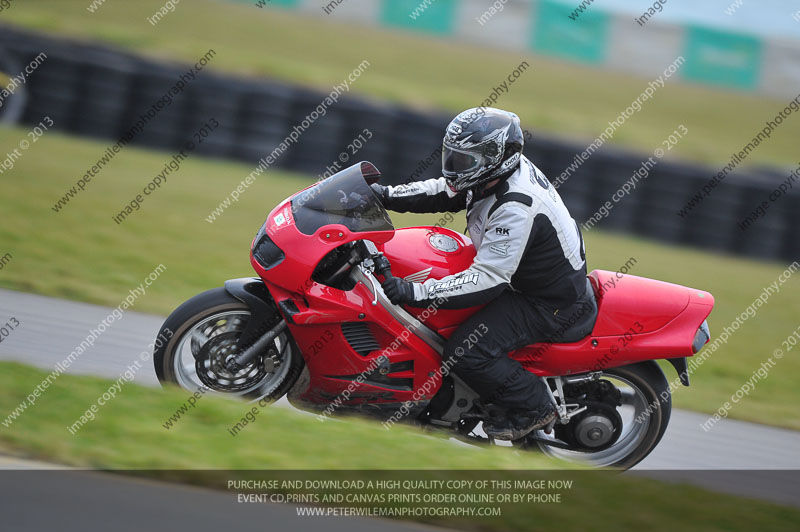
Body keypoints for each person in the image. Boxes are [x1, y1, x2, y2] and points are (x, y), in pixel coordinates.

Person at [370, 107, 597, 441]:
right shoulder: (492, 174)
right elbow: (444, 191)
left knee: (467, 350)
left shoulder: (516, 206)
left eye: (464, 161)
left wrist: (413, 292)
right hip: (522, 278)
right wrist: (385, 196)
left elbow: (488, 279)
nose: (453, 168)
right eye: (454, 157)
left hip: (547, 302)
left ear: (495, 158)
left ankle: (535, 407)